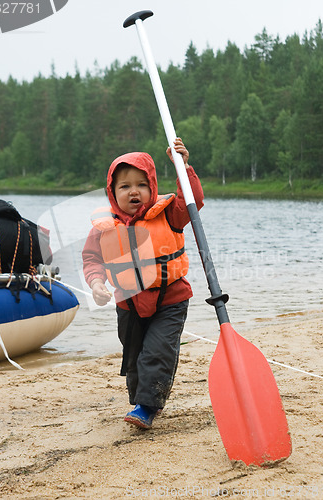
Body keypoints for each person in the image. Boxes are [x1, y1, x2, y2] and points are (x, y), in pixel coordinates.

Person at [82, 138, 204, 429]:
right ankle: (142, 400)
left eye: (141, 184)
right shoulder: (104, 227)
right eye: (124, 186)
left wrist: (183, 166)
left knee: (158, 350)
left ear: (152, 186)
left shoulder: (169, 213)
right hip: (129, 302)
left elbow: (193, 200)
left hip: (170, 299)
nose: (133, 191)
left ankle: (147, 407)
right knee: (134, 355)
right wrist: (96, 282)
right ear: (112, 193)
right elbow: (92, 259)